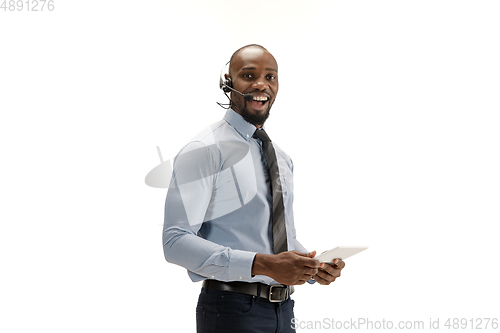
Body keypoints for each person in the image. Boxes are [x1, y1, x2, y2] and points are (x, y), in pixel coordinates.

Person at [162, 44, 345, 333]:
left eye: (270, 77)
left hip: (284, 311)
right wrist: (263, 265)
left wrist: (312, 267)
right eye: (249, 75)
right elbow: (175, 242)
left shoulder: (282, 158)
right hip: (230, 311)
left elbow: (278, 237)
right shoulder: (204, 150)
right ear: (228, 82)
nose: (261, 84)